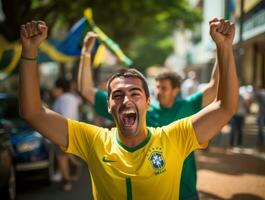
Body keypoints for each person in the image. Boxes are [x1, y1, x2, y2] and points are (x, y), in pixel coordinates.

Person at [19, 18, 238, 199]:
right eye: (117, 95)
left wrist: (224, 47)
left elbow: (225, 106)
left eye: (135, 93)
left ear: (147, 102)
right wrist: (29, 51)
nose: (126, 100)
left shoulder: (174, 137)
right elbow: (33, 113)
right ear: (108, 105)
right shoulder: (93, 141)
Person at [78, 34, 219, 200]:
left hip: (186, 191)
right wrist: (86, 52)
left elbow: (215, 87)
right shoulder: (142, 109)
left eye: (164, 88)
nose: (159, 92)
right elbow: (87, 90)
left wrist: (221, 50)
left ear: (175, 90)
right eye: (157, 87)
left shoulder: (188, 105)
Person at [51, 78, 82, 191]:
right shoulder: (72, 98)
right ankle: (74, 165)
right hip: (72, 130)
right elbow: (80, 102)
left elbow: (65, 117)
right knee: (65, 154)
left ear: (60, 88)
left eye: (55, 88)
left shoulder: (63, 99)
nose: (52, 90)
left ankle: (66, 182)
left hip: (63, 131)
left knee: (61, 157)